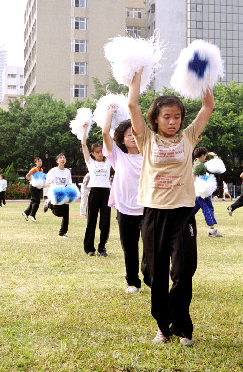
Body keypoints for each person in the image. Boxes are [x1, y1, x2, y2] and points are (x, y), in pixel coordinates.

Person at [128, 69, 215, 346]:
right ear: (155, 118)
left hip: (183, 213)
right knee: (156, 274)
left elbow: (207, 106)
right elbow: (133, 105)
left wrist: (204, 77)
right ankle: (162, 327)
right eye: (166, 116)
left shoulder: (189, 137)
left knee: (184, 270)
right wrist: (137, 73)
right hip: (154, 213)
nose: (173, 121)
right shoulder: (146, 139)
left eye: (177, 116)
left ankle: (183, 325)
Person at [102, 105, 143, 293]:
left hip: (148, 209)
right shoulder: (118, 157)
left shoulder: (149, 156)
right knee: (130, 248)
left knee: (152, 247)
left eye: (135, 133)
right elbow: (105, 133)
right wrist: (110, 112)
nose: (132, 137)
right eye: (128, 135)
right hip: (125, 210)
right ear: (122, 140)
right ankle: (132, 282)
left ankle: (149, 274)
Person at [81, 127, 111, 256]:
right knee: (91, 221)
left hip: (106, 193)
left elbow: (111, 143)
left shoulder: (109, 162)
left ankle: (102, 248)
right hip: (93, 192)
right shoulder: (90, 163)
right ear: (93, 153)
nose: (100, 154)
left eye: (102, 151)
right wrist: (84, 131)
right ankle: (89, 248)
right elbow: (83, 146)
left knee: (105, 223)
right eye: (97, 152)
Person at [193, 147, 222, 238]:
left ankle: (179, 223)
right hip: (202, 192)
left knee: (192, 210)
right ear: (202, 155)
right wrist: (198, 186)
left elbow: (212, 166)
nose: (205, 157)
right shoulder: (198, 165)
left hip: (200, 192)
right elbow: (192, 175)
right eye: (205, 155)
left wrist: (215, 157)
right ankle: (212, 231)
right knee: (208, 209)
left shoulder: (198, 163)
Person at [44, 153, 72, 238]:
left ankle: (62, 233)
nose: (62, 159)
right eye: (60, 158)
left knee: (66, 215)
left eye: (64, 158)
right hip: (55, 195)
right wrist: (55, 188)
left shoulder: (67, 171)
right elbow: (47, 183)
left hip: (65, 195)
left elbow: (69, 183)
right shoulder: (53, 171)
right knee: (58, 213)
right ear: (57, 161)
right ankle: (49, 204)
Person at [21, 157, 43, 222]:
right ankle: (32, 215)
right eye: (38, 161)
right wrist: (33, 180)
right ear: (35, 163)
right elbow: (27, 176)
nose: (40, 163)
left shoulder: (41, 170)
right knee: (37, 201)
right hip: (32, 186)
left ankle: (26, 212)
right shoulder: (34, 169)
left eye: (41, 161)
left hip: (38, 186)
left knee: (33, 200)